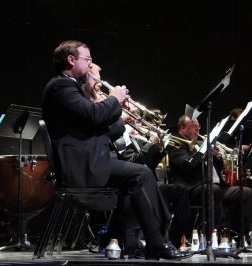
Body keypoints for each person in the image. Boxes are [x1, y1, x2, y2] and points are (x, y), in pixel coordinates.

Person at [42, 40, 189, 260]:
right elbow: (94, 116)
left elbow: (106, 128)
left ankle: (156, 240)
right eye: (87, 60)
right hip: (81, 166)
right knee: (141, 174)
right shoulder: (61, 86)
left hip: (89, 161)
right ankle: (157, 241)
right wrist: (113, 99)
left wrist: (117, 110)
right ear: (71, 60)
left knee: (140, 175)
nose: (90, 65)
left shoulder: (70, 88)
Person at [167, 115, 252, 238]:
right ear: (182, 128)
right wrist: (204, 153)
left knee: (246, 192)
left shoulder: (200, 144)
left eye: (198, 127)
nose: (198, 130)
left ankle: (241, 235)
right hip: (192, 187)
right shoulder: (176, 143)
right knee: (213, 190)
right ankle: (214, 235)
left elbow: (218, 167)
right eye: (194, 127)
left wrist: (216, 156)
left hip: (214, 185)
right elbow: (186, 165)